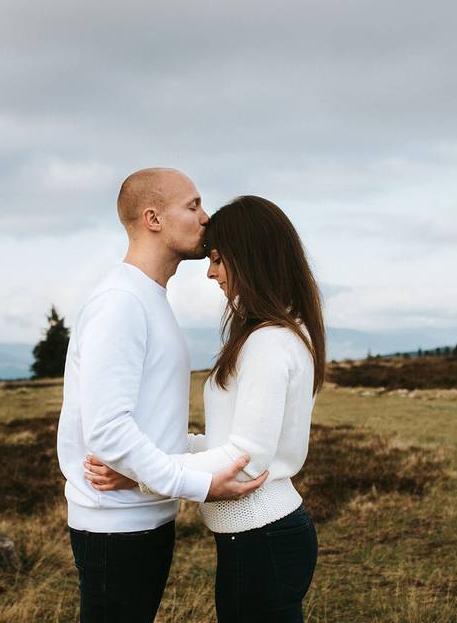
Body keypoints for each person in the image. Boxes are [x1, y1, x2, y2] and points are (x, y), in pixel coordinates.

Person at [86, 195, 326, 622]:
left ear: (251, 258)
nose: (212, 272)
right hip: (258, 537)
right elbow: (230, 443)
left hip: (262, 537)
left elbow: (245, 460)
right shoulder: (271, 332)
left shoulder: (269, 342)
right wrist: (158, 458)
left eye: (218, 259)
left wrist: (144, 477)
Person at [56, 169, 267, 623]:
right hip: (116, 527)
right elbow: (108, 431)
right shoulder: (121, 303)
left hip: (143, 517)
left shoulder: (147, 298)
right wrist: (203, 485)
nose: (206, 218)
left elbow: (151, 421)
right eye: (192, 206)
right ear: (153, 218)